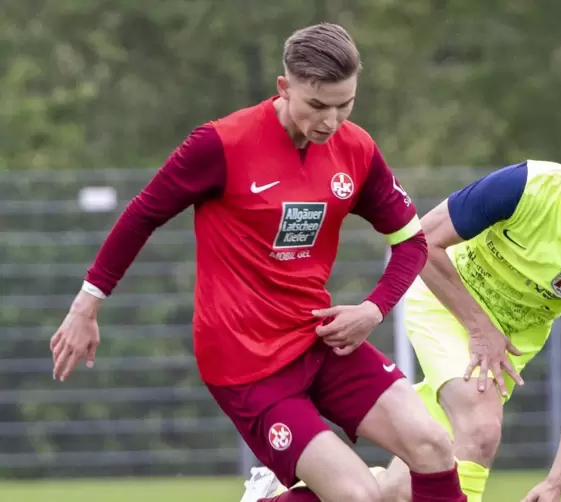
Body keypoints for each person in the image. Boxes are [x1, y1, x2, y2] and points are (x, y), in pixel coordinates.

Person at [49, 22, 467, 502]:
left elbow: (412, 243)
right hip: (246, 365)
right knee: (360, 497)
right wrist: (88, 304)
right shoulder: (220, 144)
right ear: (284, 88)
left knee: (434, 446)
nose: (331, 121)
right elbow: (142, 215)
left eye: (344, 104)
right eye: (317, 105)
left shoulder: (357, 150)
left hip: (320, 340)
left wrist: (372, 309)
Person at [373, 127, 561, 502]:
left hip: (508, 347)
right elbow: (419, 240)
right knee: (482, 429)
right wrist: (479, 326)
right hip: (445, 302)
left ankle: (289, 491)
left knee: (403, 486)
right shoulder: (523, 186)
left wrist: (557, 480)